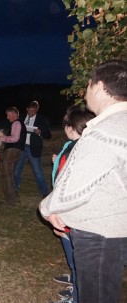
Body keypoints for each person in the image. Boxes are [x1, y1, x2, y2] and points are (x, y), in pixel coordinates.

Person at [40, 60, 127, 303]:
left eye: (88, 84)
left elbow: (74, 187)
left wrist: (47, 208)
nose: (87, 90)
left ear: (100, 87)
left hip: (99, 234)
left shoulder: (105, 132)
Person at [48, 106, 95, 303]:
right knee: (73, 256)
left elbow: (69, 185)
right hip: (67, 213)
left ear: (71, 126)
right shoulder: (73, 145)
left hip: (71, 215)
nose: (64, 126)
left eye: (66, 123)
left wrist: (57, 213)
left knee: (77, 258)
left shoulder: (80, 149)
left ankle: (76, 296)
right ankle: (75, 282)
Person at [13, 100, 52, 198]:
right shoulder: (21, 118)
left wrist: (40, 132)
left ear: (37, 109)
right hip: (21, 148)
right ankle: (14, 190)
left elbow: (48, 135)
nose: (31, 113)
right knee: (17, 170)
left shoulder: (42, 119)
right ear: (27, 109)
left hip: (33, 148)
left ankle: (44, 193)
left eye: (34, 110)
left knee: (38, 171)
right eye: (30, 110)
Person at [0, 107, 26, 206]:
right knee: (10, 175)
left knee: (6, 175)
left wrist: (0, 138)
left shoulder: (16, 123)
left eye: (8, 115)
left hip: (12, 150)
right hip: (16, 150)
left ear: (14, 114)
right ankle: (14, 197)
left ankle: (10, 200)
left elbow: (15, 138)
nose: (7, 117)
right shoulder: (18, 123)